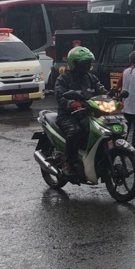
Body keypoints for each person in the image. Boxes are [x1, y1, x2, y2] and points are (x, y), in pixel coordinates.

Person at [55, 46, 109, 177]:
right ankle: (68, 163)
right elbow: (60, 96)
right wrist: (71, 103)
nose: (87, 66)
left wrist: (111, 99)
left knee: (101, 131)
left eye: (88, 63)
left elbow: (101, 91)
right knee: (75, 132)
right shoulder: (63, 79)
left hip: (86, 114)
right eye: (84, 63)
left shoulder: (91, 78)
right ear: (74, 63)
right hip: (67, 115)